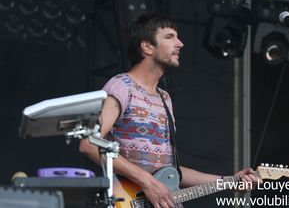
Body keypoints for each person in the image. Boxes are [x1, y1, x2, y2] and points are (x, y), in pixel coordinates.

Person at [79, 13, 261, 208]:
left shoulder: (164, 99)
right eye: (170, 36)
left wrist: (230, 181)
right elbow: (89, 144)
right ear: (147, 47)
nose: (180, 43)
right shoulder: (122, 86)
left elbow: (172, 173)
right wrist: (147, 181)